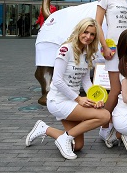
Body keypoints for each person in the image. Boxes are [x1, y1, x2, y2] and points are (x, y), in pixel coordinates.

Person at [25, 17, 110, 160]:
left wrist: (96, 99)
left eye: (92, 34)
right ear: (79, 31)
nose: (88, 37)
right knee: (104, 116)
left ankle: (44, 128)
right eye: (85, 32)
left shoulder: (86, 53)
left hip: (73, 102)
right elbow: (57, 80)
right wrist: (78, 99)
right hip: (58, 101)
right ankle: (65, 138)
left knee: (77, 146)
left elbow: (86, 82)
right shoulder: (66, 49)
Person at [95, 0, 127, 146]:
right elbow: (97, 23)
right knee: (115, 89)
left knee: (126, 88)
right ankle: (104, 127)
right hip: (112, 50)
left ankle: (117, 124)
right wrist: (104, 46)